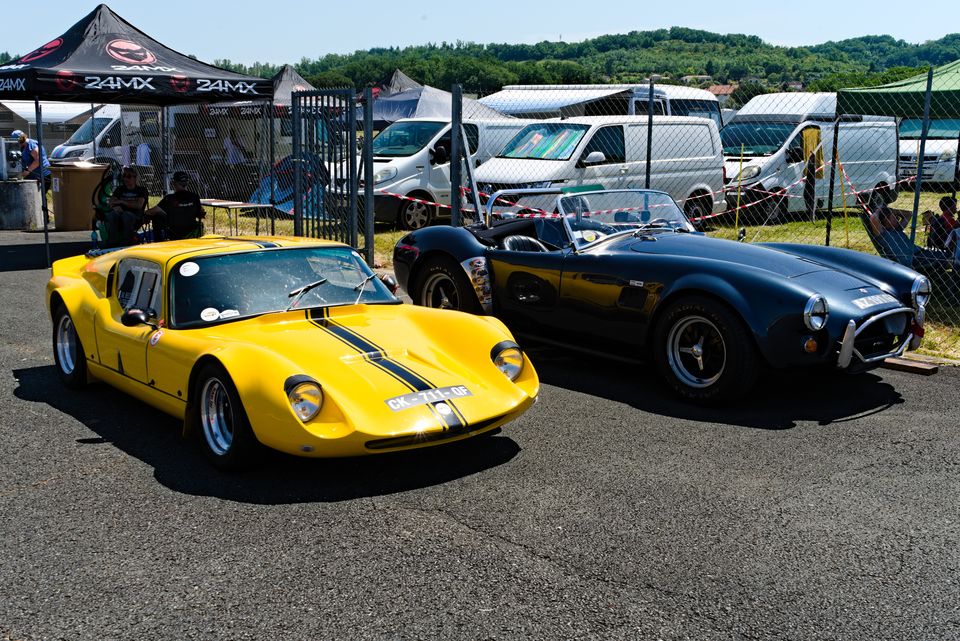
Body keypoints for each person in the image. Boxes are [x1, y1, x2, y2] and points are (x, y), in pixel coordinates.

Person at [868, 201, 946, 268]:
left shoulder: (897, 229)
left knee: (948, 255)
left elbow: (909, 214)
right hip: (914, 259)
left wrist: (893, 211)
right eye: (894, 217)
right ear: (886, 220)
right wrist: (879, 209)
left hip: (921, 253)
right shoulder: (883, 234)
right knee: (948, 259)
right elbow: (873, 218)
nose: (898, 218)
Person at [145, 171, 205, 240]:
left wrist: (145, 213)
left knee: (156, 217)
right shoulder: (194, 197)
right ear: (187, 183)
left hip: (175, 233)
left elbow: (153, 211)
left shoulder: (169, 198)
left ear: (174, 183)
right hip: (191, 232)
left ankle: (158, 242)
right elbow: (201, 212)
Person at [103, 166, 148, 247]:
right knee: (112, 215)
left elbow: (139, 205)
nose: (126, 178)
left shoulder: (141, 190)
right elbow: (111, 202)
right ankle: (112, 243)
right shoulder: (120, 189)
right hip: (120, 215)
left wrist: (122, 202)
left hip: (135, 216)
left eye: (129, 176)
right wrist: (114, 207)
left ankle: (126, 243)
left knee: (126, 216)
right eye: (124, 176)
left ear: (135, 178)